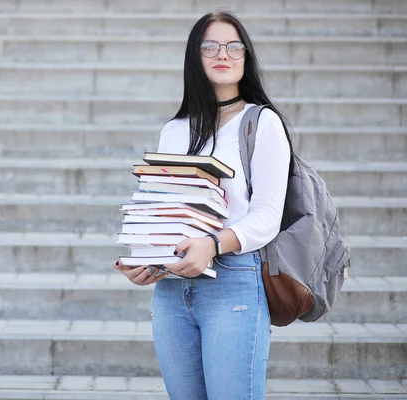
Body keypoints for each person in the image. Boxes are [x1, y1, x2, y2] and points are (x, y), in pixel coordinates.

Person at [112, 11, 294, 400]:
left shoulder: (261, 123)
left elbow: (266, 215)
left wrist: (212, 244)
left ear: (246, 57)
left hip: (235, 284)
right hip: (172, 292)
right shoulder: (174, 130)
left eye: (233, 46)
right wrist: (148, 259)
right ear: (195, 57)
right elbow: (165, 208)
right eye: (209, 46)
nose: (221, 53)